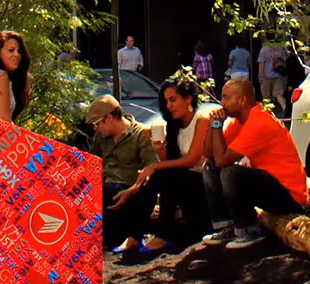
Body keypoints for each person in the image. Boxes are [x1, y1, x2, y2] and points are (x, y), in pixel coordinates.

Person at [109, 75, 214, 259]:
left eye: (173, 100)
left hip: (202, 183)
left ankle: (161, 235)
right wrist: (158, 146)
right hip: (181, 182)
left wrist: (155, 166)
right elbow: (169, 161)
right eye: (166, 101)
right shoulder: (175, 125)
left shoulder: (202, 119)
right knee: (161, 174)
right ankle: (136, 235)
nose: (169, 106)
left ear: (188, 99)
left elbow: (191, 160)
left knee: (162, 173)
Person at [199, 76, 309, 249]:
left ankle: (248, 230)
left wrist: (218, 125)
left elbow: (222, 160)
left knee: (230, 172)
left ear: (242, 100)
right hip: (269, 188)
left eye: (226, 97)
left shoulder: (259, 121)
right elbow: (208, 154)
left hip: (290, 197)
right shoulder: (239, 122)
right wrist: (214, 125)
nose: (222, 103)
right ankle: (226, 227)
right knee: (209, 167)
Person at [85, 94, 162, 255]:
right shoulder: (101, 137)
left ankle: (132, 237)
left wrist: (131, 190)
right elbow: (91, 162)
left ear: (109, 118)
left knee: (146, 187)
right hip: (105, 188)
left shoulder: (140, 134)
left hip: (130, 189)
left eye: (97, 123)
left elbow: (152, 166)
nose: (96, 128)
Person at [258, 40, 288, 118]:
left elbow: (261, 63)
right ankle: (285, 108)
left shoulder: (264, 49)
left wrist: (260, 76)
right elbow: (284, 61)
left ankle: (267, 113)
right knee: (278, 94)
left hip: (266, 76)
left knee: (266, 95)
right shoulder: (280, 48)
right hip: (278, 75)